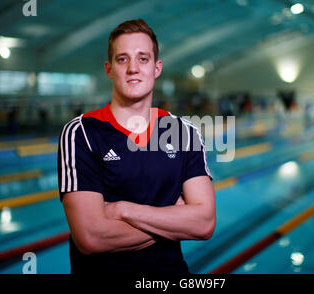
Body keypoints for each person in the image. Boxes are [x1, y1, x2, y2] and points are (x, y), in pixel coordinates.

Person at [57, 19, 215, 274]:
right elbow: (91, 237)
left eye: (143, 59)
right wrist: (175, 219)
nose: (133, 68)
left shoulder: (185, 133)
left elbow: (204, 224)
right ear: (109, 69)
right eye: (122, 59)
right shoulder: (82, 133)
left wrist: (122, 209)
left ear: (157, 68)